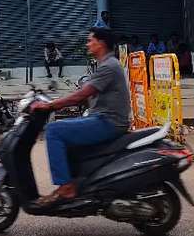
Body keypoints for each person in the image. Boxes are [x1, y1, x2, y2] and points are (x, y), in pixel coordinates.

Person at [31, 27, 131, 206]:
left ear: (100, 43)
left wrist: (49, 105)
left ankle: (66, 187)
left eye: (90, 40)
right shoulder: (107, 64)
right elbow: (84, 93)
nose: (87, 43)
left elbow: (81, 95)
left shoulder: (109, 66)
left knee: (54, 130)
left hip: (108, 122)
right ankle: (79, 179)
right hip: (104, 118)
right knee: (68, 129)